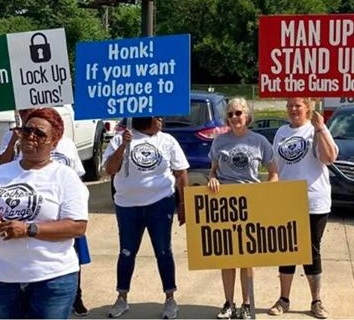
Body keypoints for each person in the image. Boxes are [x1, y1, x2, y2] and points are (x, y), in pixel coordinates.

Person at [0, 108, 89, 319]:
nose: (31, 137)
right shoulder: (0, 173)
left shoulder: (65, 177)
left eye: (40, 133)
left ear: (54, 142)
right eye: (26, 130)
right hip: (2, 279)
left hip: (51, 280)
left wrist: (29, 229)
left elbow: (78, 227)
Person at [102, 116, 189, 319]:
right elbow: (110, 169)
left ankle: (170, 299)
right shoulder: (120, 139)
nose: (161, 121)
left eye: (161, 117)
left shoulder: (167, 140)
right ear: (143, 120)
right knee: (126, 252)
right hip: (127, 206)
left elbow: (181, 173)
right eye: (156, 118)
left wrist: (183, 203)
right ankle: (122, 297)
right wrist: (124, 144)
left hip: (160, 204)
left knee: (163, 251)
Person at [206, 98, 279, 319]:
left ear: (247, 116)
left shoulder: (259, 142)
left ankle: (247, 304)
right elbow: (213, 171)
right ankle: (229, 303)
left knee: (247, 258)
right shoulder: (219, 142)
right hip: (224, 205)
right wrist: (212, 179)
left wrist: (268, 190)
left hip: (251, 204)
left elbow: (274, 172)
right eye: (230, 114)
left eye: (238, 113)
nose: (234, 118)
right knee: (227, 257)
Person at [268, 98, 338, 319]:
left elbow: (330, 158)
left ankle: (316, 301)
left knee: (311, 251)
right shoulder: (281, 132)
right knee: (287, 250)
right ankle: (284, 299)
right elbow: (275, 166)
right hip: (287, 200)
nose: (293, 109)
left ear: (307, 107)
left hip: (314, 201)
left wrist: (321, 128)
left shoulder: (315, 129)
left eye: (298, 105)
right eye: (290, 106)